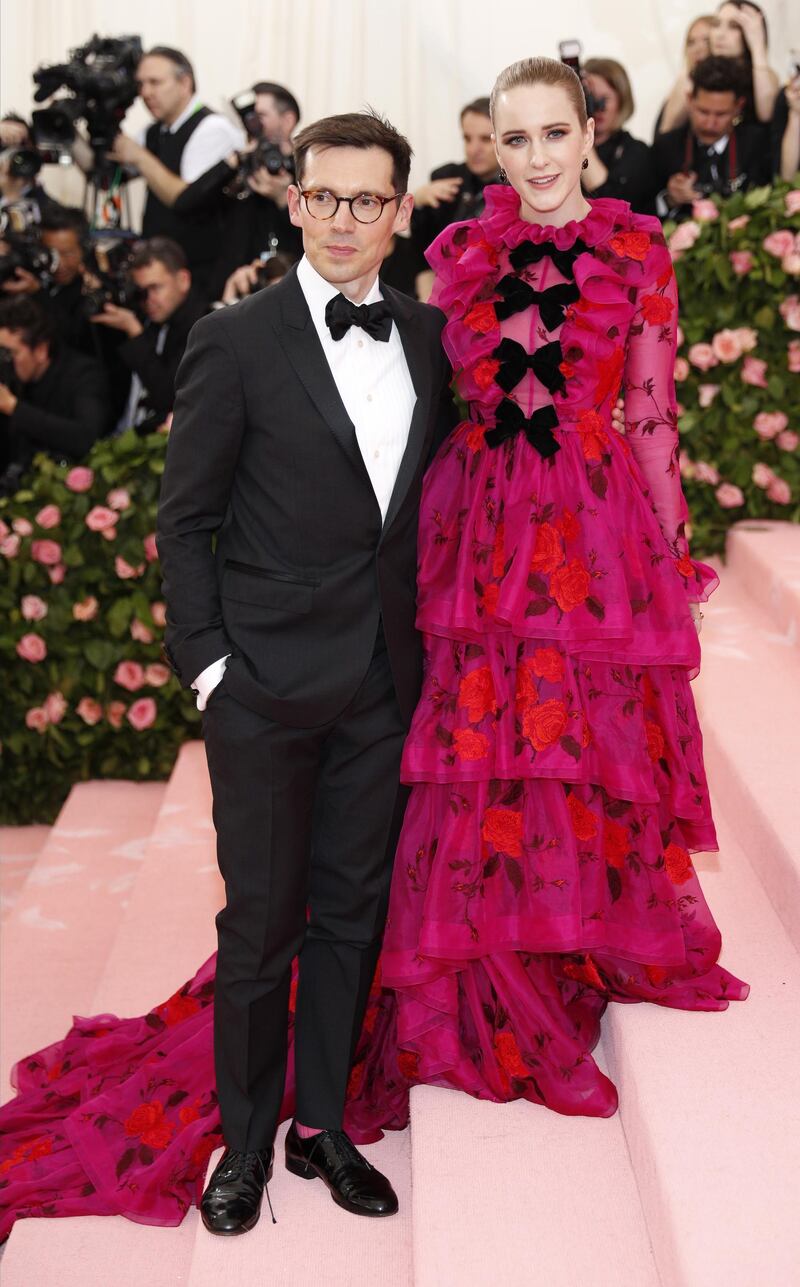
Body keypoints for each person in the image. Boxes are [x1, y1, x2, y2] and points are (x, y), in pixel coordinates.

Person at [156, 108, 456, 1234]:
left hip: (384, 683)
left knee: (351, 918)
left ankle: (320, 1123)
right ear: (292, 202)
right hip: (263, 690)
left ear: (400, 211)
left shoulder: (427, 342)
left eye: (366, 199)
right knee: (260, 925)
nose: (342, 219)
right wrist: (209, 670)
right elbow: (184, 522)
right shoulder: (233, 340)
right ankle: (242, 1143)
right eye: (322, 197)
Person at [105, 46, 243, 295]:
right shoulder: (155, 131)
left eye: (155, 82)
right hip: (158, 272)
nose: (145, 93)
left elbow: (184, 198)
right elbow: (109, 177)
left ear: (185, 83)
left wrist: (138, 156)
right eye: (141, 84)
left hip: (198, 275)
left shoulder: (212, 128)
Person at [91, 236, 208, 431]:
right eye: (141, 291)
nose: (148, 300)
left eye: (155, 288)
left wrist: (135, 333)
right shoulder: (144, 317)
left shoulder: (203, 326)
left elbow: (169, 394)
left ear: (183, 280)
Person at [0, 295, 111, 492]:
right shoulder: (11, 379)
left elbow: (87, 437)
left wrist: (14, 407)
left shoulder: (83, 375)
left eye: (11, 353)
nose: (5, 361)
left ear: (41, 350)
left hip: (73, 491)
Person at [209, 82, 304, 299]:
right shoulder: (240, 167)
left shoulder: (308, 170)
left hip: (291, 288)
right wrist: (235, 161)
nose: (251, 123)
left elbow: (317, 235)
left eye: (260, 115)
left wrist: (284, 200)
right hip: (236, 289)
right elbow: (190, 203)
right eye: (248, 116)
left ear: (288, 121)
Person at [652, 54, 772, 220]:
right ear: (689, 100)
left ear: (739, 107)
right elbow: (644, 212)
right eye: (703, 111)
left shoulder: (757, 145)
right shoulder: (666, 147)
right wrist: (670, 199)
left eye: (721, 114)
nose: (710, 123)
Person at [411, 97, 501, 261]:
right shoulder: (445, 177)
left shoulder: (519, 185)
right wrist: (417, 203)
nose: (474, 149)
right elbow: (420, 245)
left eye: (485, 139)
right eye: (467, 138)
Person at [580, 58, 656, 213]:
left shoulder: (636, 152)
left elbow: (611, 208)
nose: (598, 107)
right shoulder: (564, 150)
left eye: (605, 99)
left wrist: (582, 133)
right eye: (591, 98)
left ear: (621, 100)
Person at [707, 1, 779, 123]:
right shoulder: (702, 72)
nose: (720, 34)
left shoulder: (764, 75)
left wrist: (757, 46)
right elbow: (666, 130)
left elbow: (767, 114)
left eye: (734, 26)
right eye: (716, 24)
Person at [655, 14, 714, 135]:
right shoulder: (684, 85)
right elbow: (662, 138)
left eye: (706, 40)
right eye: (691, 42)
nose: (698, 48)